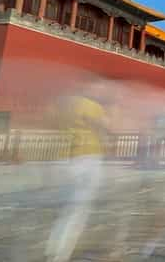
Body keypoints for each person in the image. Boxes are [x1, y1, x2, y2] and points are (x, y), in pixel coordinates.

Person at [46, 94, 108, 262]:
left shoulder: (65, 105)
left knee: (67, 210)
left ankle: (52, 249)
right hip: (89, 158)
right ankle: (61, 255)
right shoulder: (93, 106)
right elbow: (102, 127)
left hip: (69, 160)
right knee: (79, 212)